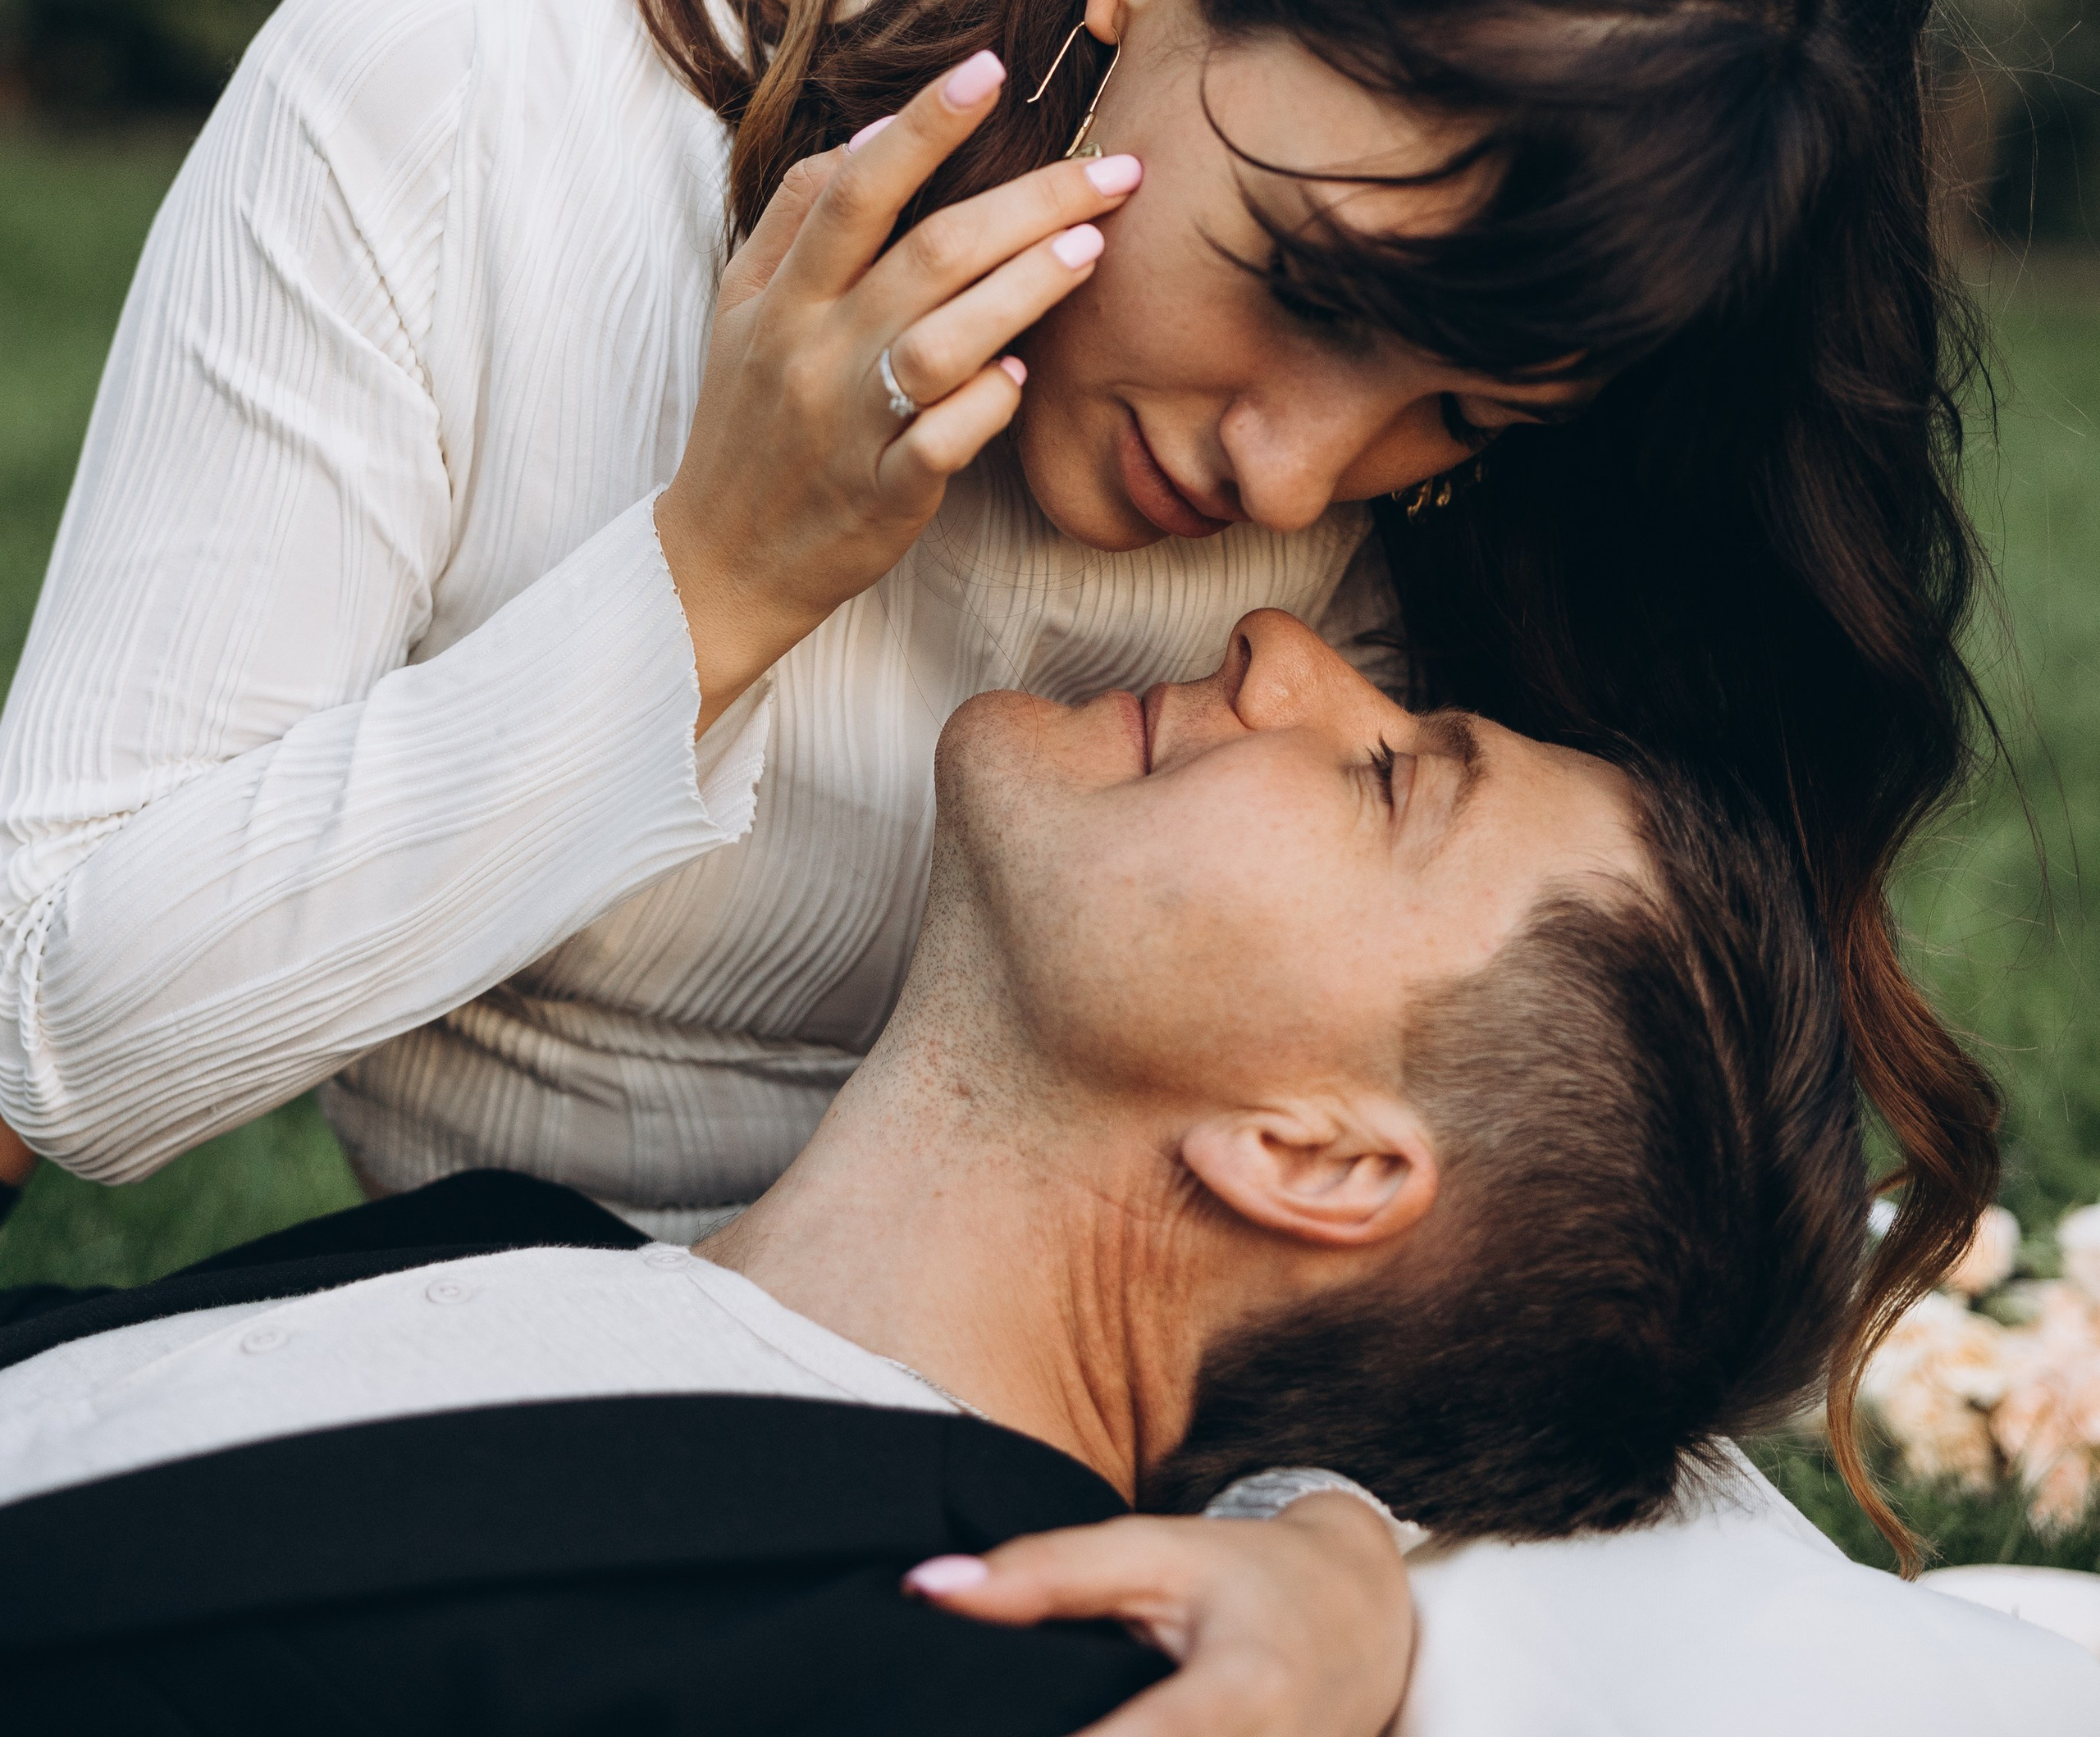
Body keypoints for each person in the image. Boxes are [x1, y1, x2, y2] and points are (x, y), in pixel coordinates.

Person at [0, 0, 1998, 1619]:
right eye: (1307, 294)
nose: (1295, 482)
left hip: (1017, 1506)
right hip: (485, 1427)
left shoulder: (1442, 564)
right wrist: (709, 584)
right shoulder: (485, 96)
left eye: (1460, 412)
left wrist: (1331, 1555)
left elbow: (1503, 1237)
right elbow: (57, 1036)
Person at [9, 617, 2085, 1735]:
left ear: (1315, 1154)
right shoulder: (511, 1242)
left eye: (1386, 775)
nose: (1286, 644)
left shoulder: (976, 1669)